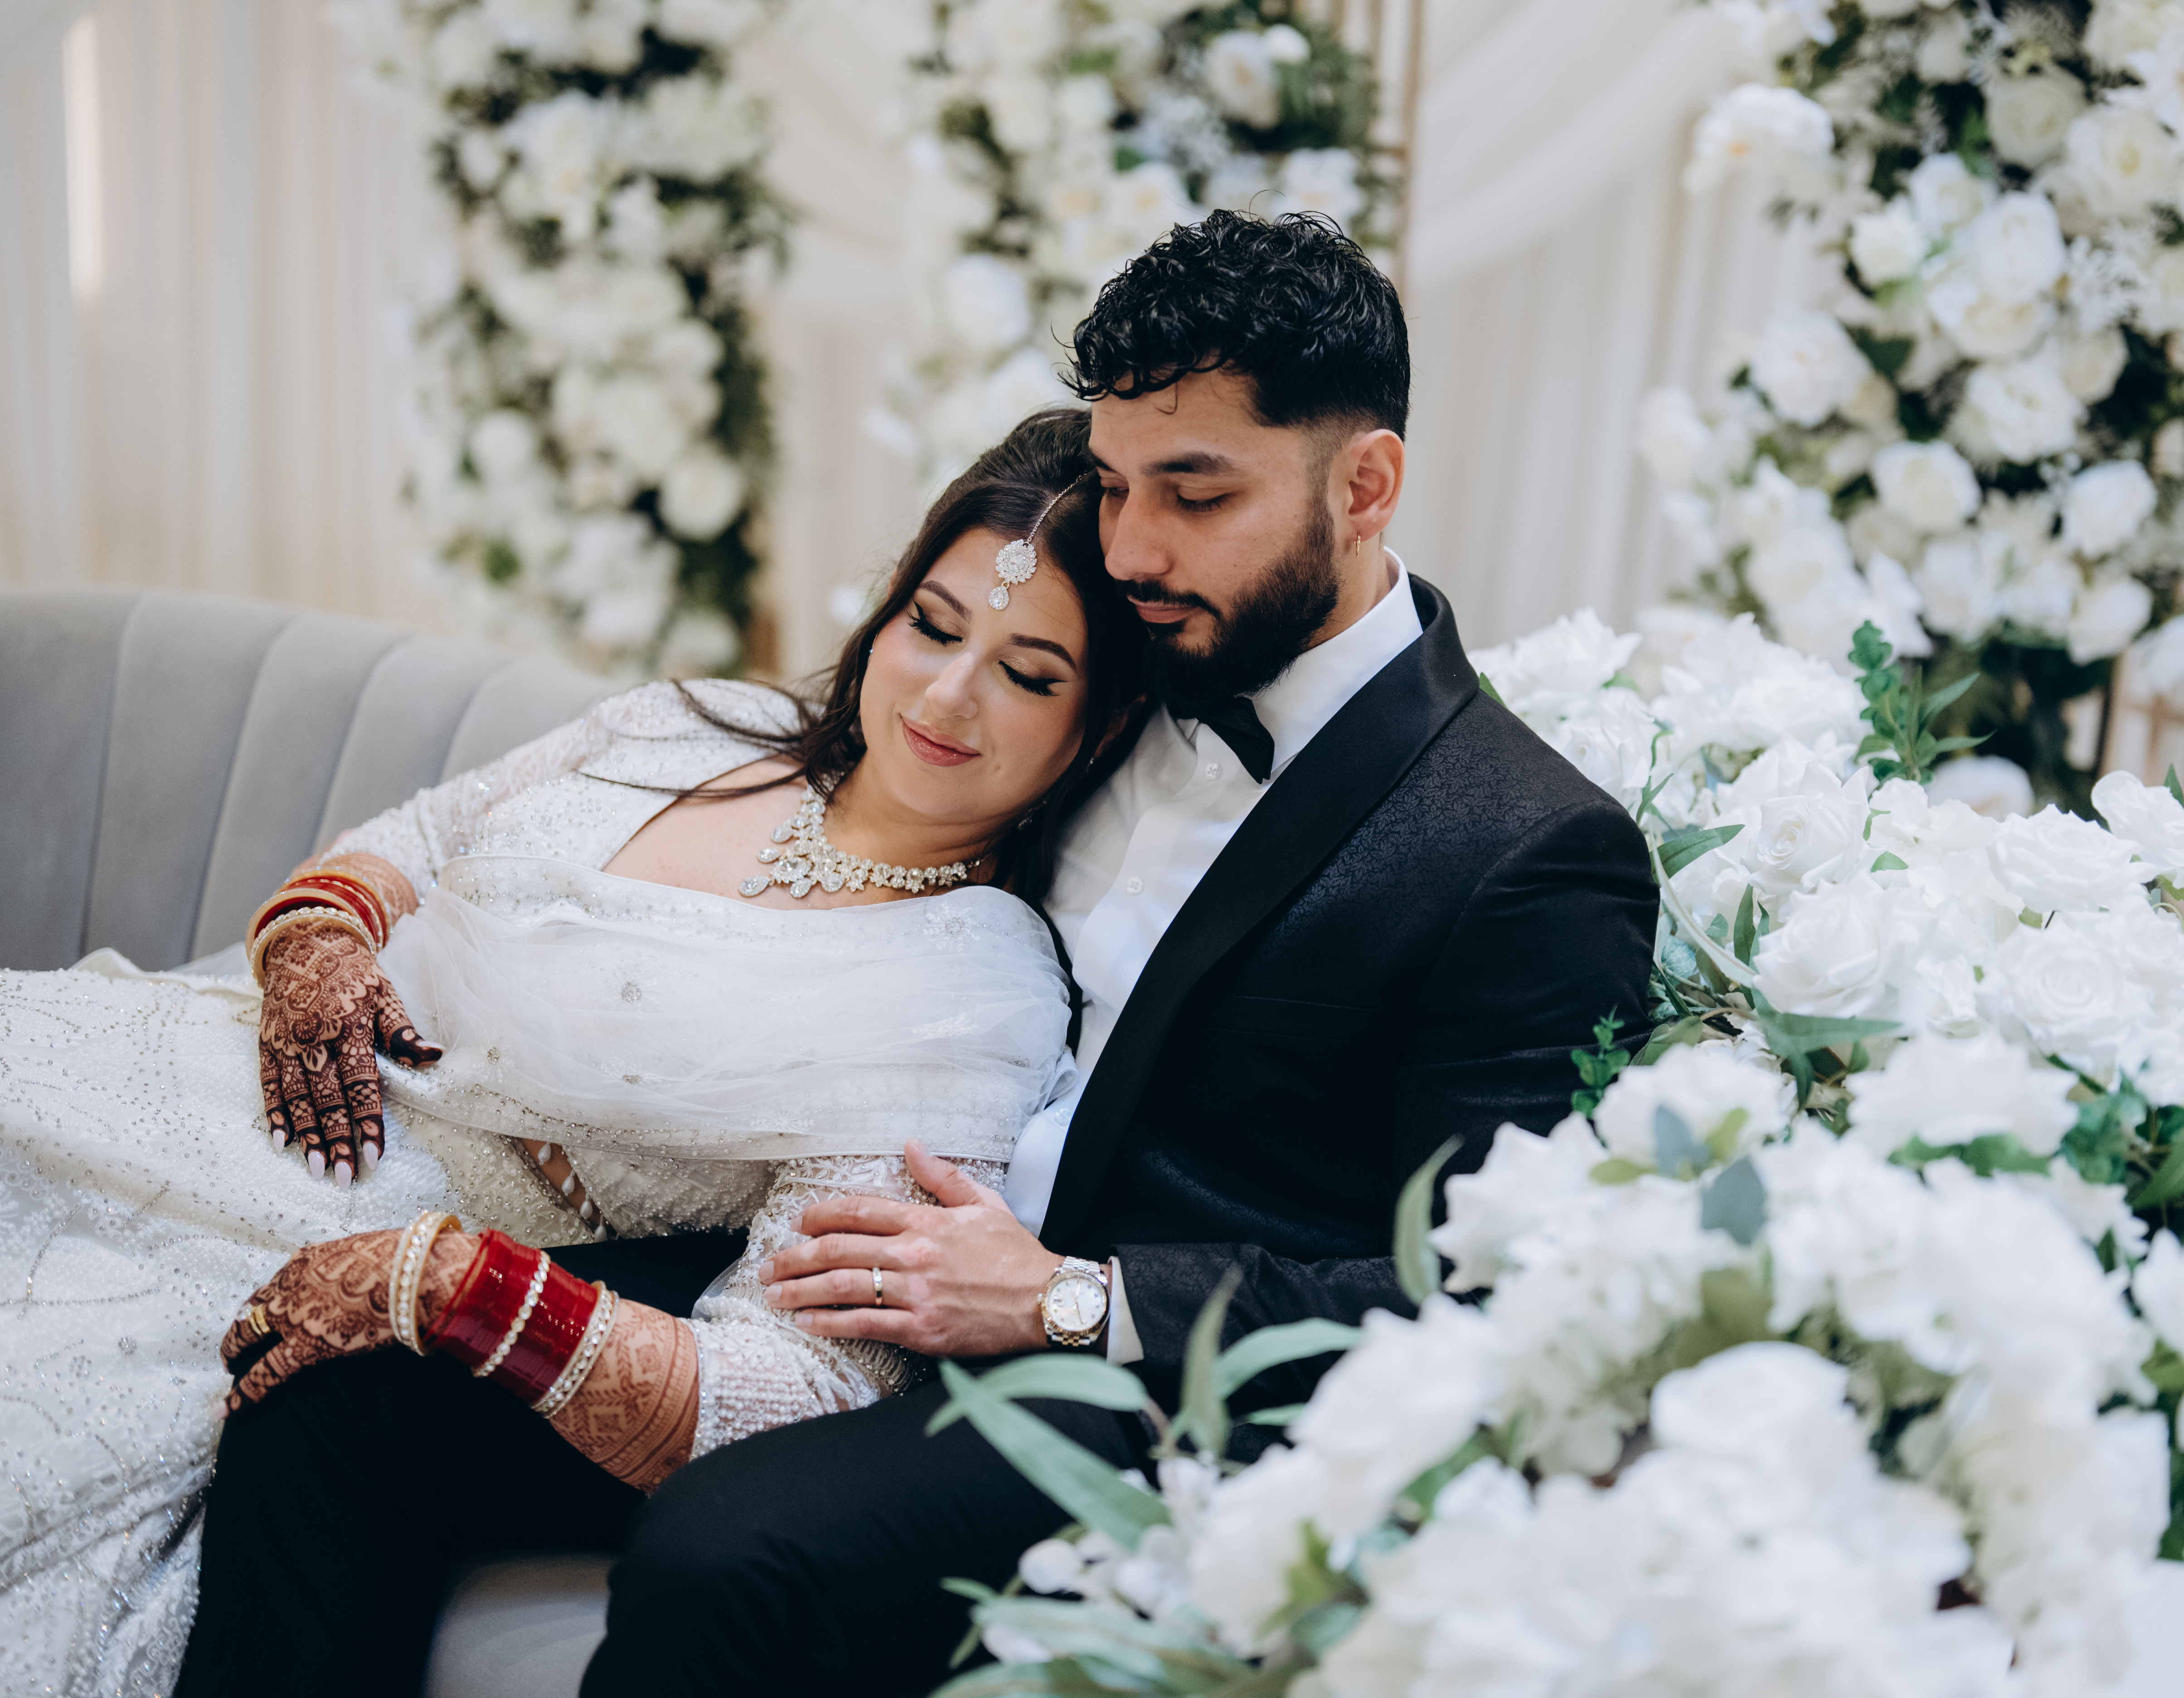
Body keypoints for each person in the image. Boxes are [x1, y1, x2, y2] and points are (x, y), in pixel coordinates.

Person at [179, 211, 1661, 1697]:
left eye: (1197, 494)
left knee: (725, 1556)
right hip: (865, 1239)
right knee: (345, 1389)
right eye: (1118, 484)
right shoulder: (1128, 656)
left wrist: (1070, 1296)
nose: (1133, 548)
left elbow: (1477, 1297)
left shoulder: (1523, 848)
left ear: (1367, 486)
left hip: (1133, 1389)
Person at [0, 411, 1145, 1695]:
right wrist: (321, 930)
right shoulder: (701, 725)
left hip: (351, 1232)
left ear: (1100, 728)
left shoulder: (970, 998)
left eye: (1028, 675)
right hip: (195, 1068)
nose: (945, 695)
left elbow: (807, 1384)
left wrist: (473, 1292)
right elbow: (425, 832)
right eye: (933, 625)